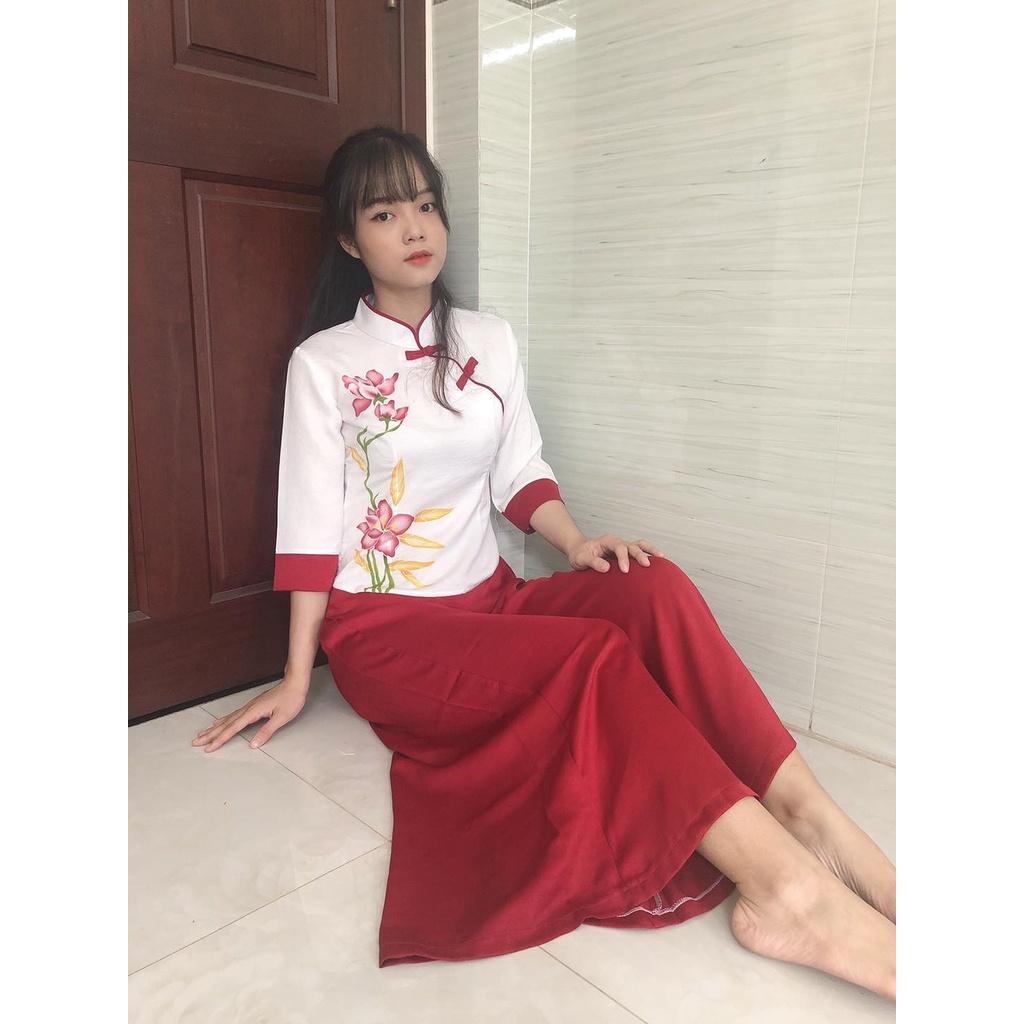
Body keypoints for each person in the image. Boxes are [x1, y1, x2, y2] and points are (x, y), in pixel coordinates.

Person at [192, 127, 896, 999]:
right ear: (348, 239)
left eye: (425, 203)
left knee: (653, 586)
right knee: (591, 659)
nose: (414, 226)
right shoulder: (324, 363)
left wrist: (575, 543)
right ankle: (788, 895)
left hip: (492, 601)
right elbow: (307, 524)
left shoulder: (488, 338)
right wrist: (301, 675)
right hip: (388, 631)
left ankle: (808, 815)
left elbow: (517, 470)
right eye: (384, 212)